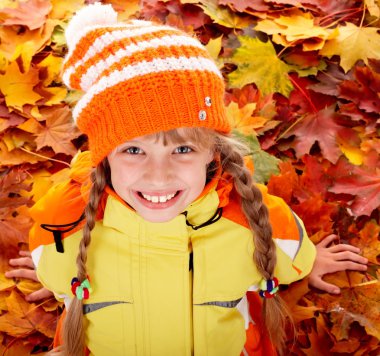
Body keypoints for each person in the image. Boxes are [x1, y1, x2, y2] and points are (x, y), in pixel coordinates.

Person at [27, 3, 368, 356]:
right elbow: (52, 267)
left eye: (183, 150)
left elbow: (289, 251)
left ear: (213, 151)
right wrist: (57, 285)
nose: (158, 176)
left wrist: (308, 266)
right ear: (104, 155)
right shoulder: (63, 228)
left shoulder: (253, 220)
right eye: (133, 151)